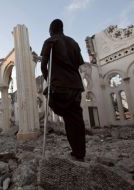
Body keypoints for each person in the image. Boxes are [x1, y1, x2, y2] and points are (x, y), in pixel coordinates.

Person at [40, 19, 86, 161]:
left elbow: (43, 65)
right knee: (75, 119)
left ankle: (77, 152)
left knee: (64, 113)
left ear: (52, 29)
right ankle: (79, 152)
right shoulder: (74, 43)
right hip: (76, 85)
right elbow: (78, 64)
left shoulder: (50, 41)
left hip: (60, 86)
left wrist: (49, 80)